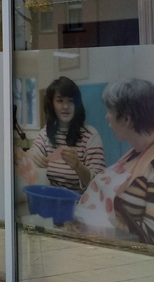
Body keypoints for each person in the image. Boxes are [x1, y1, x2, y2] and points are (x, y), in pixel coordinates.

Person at [76, 78, 154, 243]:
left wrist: (101, 225)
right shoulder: (135, 153)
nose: (106, 117)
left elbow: (151, 239)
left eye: (110, 111)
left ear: (126, 119)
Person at [29, 76, 105, 192]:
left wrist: (78, 166)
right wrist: (32, 156)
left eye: (71, 101)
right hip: (52, 199)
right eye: (60, 101)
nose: (65, 106)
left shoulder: (90, 136)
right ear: (52, 105)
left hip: (82, 201)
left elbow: (100, 184)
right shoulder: (46, 133)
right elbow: (28, 156)